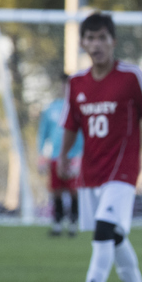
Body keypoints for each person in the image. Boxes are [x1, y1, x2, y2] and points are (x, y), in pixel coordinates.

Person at [58, 12, 142, 282]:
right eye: (90, 38)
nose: (96, 44)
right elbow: (71, 124)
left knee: (103, 230)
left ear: (113, 41)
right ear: (83, 43)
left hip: (123, 172)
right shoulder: (76, 83)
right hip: (91, 172)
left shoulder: (131, 77)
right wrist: (61, 157)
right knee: (113, 234)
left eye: (102, 37)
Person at [37, 74, 83, 236]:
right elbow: (43, 133)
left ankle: (73, 223)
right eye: (64, 85)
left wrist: (82, 155)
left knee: (74, 190)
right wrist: (41, 155)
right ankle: (57, 223)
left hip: (74, 156)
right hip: (56, 156)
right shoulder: (51, 108)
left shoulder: (78, 106)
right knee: (56, 189)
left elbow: (84, 133)